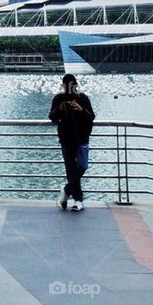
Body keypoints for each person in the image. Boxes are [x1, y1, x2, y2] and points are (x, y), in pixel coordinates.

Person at [48, 73, 95, 212]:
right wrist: (60, 109)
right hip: (66, 139)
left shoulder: (83, 99)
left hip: (82, 138)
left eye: (72, 85)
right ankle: (78, 200)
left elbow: (91, 117)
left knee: (82, 166)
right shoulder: (58, 99)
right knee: (70, 169)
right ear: (63, 86)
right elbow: (52, 117)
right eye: (67, 86)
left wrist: (80, 109)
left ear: (75, 85)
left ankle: (66, 190)